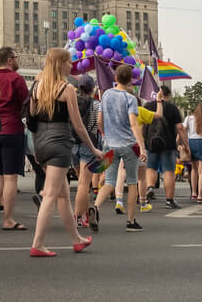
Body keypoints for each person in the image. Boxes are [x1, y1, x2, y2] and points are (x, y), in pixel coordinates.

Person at [28, 48, 101, 257]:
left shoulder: (36, 87)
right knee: (51, 194)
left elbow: (31, 121)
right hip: (60, 142)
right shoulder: (66, 89)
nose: (72, 66)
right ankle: (38, 243)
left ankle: (76, 239)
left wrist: (36, 150)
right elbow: (78, 126)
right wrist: (93, 148)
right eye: (69, 62)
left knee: (63, 195)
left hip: (41, 142)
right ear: (60, 64)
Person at [90, 64, 147, 233]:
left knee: (109, 181)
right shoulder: (130, 99)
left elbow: (100, 119)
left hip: (110, 145)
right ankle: (130, 221)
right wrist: (142, 147)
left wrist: (105, 134)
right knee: (131, 182)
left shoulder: (106, 94)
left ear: (115, 78)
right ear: (130, 80)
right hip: (129, 145)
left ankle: (95, 206)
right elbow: (133, 123)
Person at [0, 45, 28, 231]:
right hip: (12, 129)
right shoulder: (16, 79)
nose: (18, 60)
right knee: (10, 177)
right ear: (10, 60)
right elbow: (26, 104)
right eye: (17, 57)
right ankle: (8, 219)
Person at [143, 85, 187, 210]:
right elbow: (180, 128)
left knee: (151, 168)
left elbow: (143, 125)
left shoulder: (148, 106)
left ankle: (150, 187)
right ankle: (169, 200)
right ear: (168, 95)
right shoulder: (173, 109)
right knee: (168, 171)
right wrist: (186, 144)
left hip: (151, 143)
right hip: (168, 144)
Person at [72, 75, 101, 225]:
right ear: (93, 88)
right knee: (84, 183)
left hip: (73, 144)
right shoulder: (96, 104)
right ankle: (77, 217)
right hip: (88, 144)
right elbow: (100, 123)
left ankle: (84, 215)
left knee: (82, 183)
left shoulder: (73, 101)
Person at [182, 102, 202, 204]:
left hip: (191, 142)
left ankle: (194, 192)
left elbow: (182, 129)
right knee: (201, 171)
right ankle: (200, 194)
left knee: (194, 169)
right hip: (201, 143)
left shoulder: (188, 118)